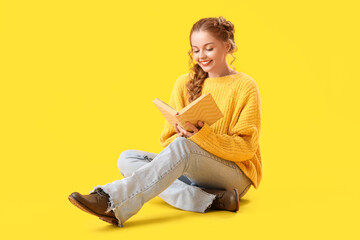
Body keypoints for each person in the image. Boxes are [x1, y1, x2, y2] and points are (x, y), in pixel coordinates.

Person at [68, 16, 262, 228]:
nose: (201, 56)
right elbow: (168, 141)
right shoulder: (183, 83)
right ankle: (214, 200)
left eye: (209, 48)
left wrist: (200, 137)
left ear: (227, 46)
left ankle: (111, 199)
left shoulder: (245, 86)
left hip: (234, 175)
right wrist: (181, 134)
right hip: (193, 169)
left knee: (182, 148)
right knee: (127, 159)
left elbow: (246, 148)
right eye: (196, 50)